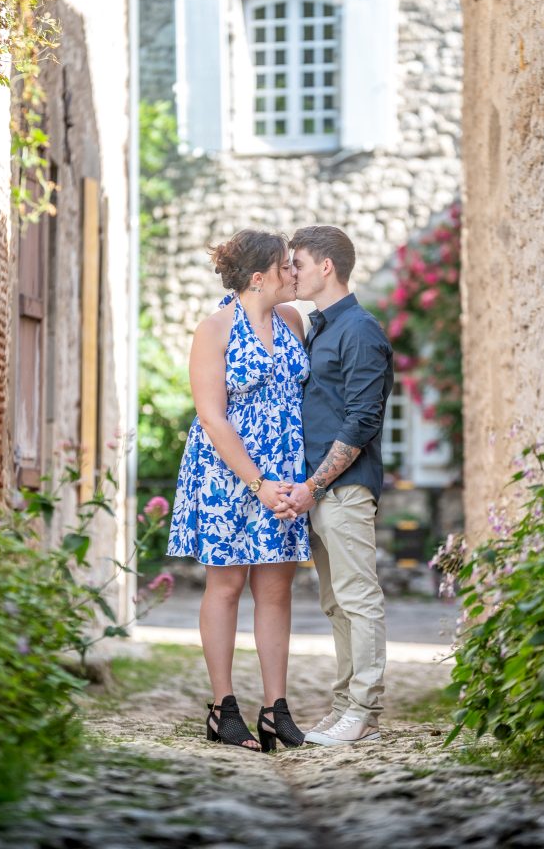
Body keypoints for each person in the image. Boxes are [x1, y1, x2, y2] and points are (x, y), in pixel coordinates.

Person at [167, 229, 310, 752]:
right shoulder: (216, 328)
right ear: (259, 277)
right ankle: (222, 709)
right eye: (286, 266)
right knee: (225, 587)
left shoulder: (293, 321)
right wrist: (258, 481)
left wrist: (297, 481)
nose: (295, 273)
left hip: (286, 475)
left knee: (276, 590)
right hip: (228, 473)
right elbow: (212, 416)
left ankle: (276, 709)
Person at [274, 225, 394, 746]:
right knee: (335, 603)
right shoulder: (320, 327)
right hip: (319, 491)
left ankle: (364, 710)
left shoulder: (360, 330)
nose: (290, 272)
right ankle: (345, 705)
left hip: (342, 489)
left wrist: (315, 485)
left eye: (296, 262)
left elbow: (362, 421)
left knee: (358, 598)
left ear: (326, 266)